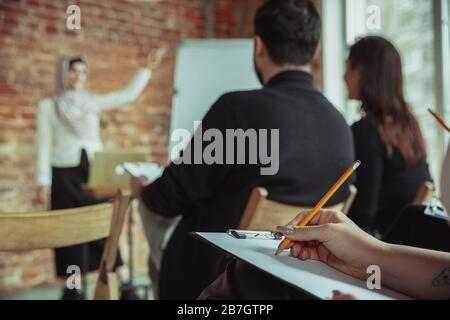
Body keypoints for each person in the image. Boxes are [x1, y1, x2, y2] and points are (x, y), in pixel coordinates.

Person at [131, 0, 355, 299]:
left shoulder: (236, 110)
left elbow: (170, 197)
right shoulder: (339, 123)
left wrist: (144, 191)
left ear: (259, 46)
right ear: (315, 52)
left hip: (218, 280)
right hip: (303, 283)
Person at [35, 51, 162, 299]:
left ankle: (124, 285)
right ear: (63, 73)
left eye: (83, 71)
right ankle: (74, 288)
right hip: (64, 173)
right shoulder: (48, 106)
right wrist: (42, 181)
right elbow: (43, 145)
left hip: (95, 171)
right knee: (70, 230)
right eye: (73, 70)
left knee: (105, 225)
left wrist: (146, 69)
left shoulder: (92, 102)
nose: (79, 76)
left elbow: (127, 96)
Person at [345, 36, 432, 236]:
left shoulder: (368, 130)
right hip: (409, 242)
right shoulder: (410, 126)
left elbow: (362, 215)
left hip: (380, 247)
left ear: (360, 72)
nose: (344, 76)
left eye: (348, 67)